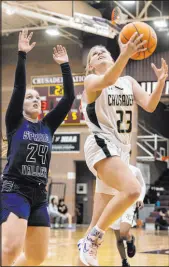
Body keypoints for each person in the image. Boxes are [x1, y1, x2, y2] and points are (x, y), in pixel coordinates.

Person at [79, 32, 168, 266]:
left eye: (103, 51)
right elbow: (108, 79)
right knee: (132, 189)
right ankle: (94, 239)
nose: (99, 52)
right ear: (90, 66)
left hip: (120, 152)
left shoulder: (128, 82)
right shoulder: (90, 82)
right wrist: (125, 54)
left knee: (94, 225)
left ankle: (88, 244)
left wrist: (160, 84)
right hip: (101, 143)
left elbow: (149, 104)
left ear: (111, 57)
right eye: (94, 53)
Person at [1, 29, 75, 266]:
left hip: (40, 195)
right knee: (11, 248)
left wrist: (65, 66)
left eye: (37, 97)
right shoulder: (15, 122)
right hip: (15, 189)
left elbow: (68, 98)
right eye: (29, 97)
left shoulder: (47, 126)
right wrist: (22, 54)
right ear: (20, 105)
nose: (34, 99)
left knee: (36, 257)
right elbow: (18, 89)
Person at [78, 165, 146, 267]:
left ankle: (130, 240)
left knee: (123, 232)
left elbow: (142, 185)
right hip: (115, 204)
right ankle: (124, 262)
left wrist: (140, 198)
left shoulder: (134, 170)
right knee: (118, 239)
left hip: (128, 205)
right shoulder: (111, 167)